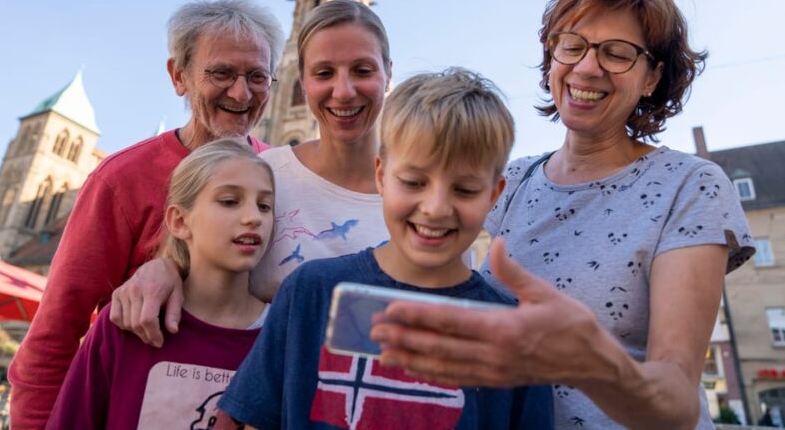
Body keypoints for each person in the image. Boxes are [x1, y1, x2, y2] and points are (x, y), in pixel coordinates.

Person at [370, 0, 754, 429]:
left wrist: (594, 364)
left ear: (651, 77)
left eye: (617, 54)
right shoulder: (510, 180)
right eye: (572, 46)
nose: (587, 68)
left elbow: (676, 400)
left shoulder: (689, 185)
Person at [218, 69, 554, 429]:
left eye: (465, 190)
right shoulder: (311, 292)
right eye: (413, 182)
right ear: (381, 176)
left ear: (493, 195)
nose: (436, 208)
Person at [9, 0, 284, 429]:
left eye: (257, 77)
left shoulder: (285, 175)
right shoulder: (120, 180)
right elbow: (53, 338)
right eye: (221, 73)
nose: (241, 92)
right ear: (179, 76)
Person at [110, 0, 391, 340]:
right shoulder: (259, 176)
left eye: (363, 70)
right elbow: (201, 262)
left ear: (388, 73)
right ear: (299, 80)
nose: (344, 92)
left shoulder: (425, 193)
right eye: (324, 73)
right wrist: (165, 268)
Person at [47, 139, 274, 428]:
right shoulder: (125, 324)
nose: (253, 217)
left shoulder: (281, 336)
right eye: (229, 201)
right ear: (179, 221)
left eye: (265, 206)